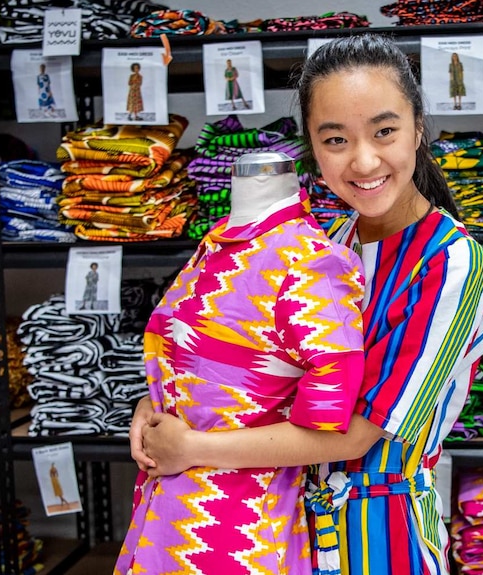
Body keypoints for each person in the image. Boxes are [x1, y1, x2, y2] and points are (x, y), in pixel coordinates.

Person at [130, 33, 483, 575]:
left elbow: (359, 430)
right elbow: (252, 374)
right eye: (336, 140)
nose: (364, 160)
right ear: (312, 146)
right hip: (287, 525)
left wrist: (192, 446)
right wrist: (161, 405)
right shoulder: (328, 245)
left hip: (382, 537)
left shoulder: (451, 262)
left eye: (385, 131)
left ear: (419, 128)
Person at [115, 152, 366, 575]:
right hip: (165, 509)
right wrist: (152, 403)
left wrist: (194, 446)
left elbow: (327, 423)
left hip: (238, 528)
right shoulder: (218, 245)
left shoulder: (311, 262)